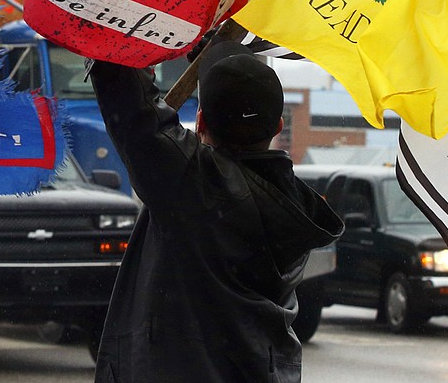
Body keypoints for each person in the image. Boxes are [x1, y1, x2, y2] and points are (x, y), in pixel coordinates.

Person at [88, 40, 344, 383]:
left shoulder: (190, 186)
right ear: (278, 127)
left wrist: (138, 31)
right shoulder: (293, 204)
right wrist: (209, 52)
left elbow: (129, 101)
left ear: (201, 120)